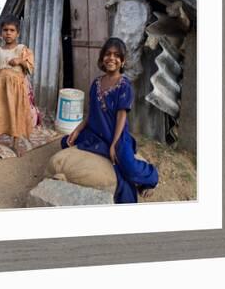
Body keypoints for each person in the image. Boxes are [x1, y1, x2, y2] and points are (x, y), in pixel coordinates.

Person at [61, 37, 158, 203]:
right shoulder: (96, 83)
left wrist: (114, 144)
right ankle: (103, 150)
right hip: (95, 134)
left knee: (126, 165)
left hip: (117, 136)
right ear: (102, 58)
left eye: (116, 55)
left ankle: (151, 176)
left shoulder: (124, 85)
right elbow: (92, 113)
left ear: (122, 61)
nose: (111, 58)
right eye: (107, 54)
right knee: (66, 142)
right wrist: (77, 130)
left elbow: (122, 116)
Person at [0, 15, 35, 160]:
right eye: (5, 30)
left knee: (16, 114)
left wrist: (20, 61)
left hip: (17, 89)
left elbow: (31, 66)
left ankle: (15, 143)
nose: (8, 33)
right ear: (1, 33)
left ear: (17, 33)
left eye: (12, 30)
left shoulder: (22, 49)